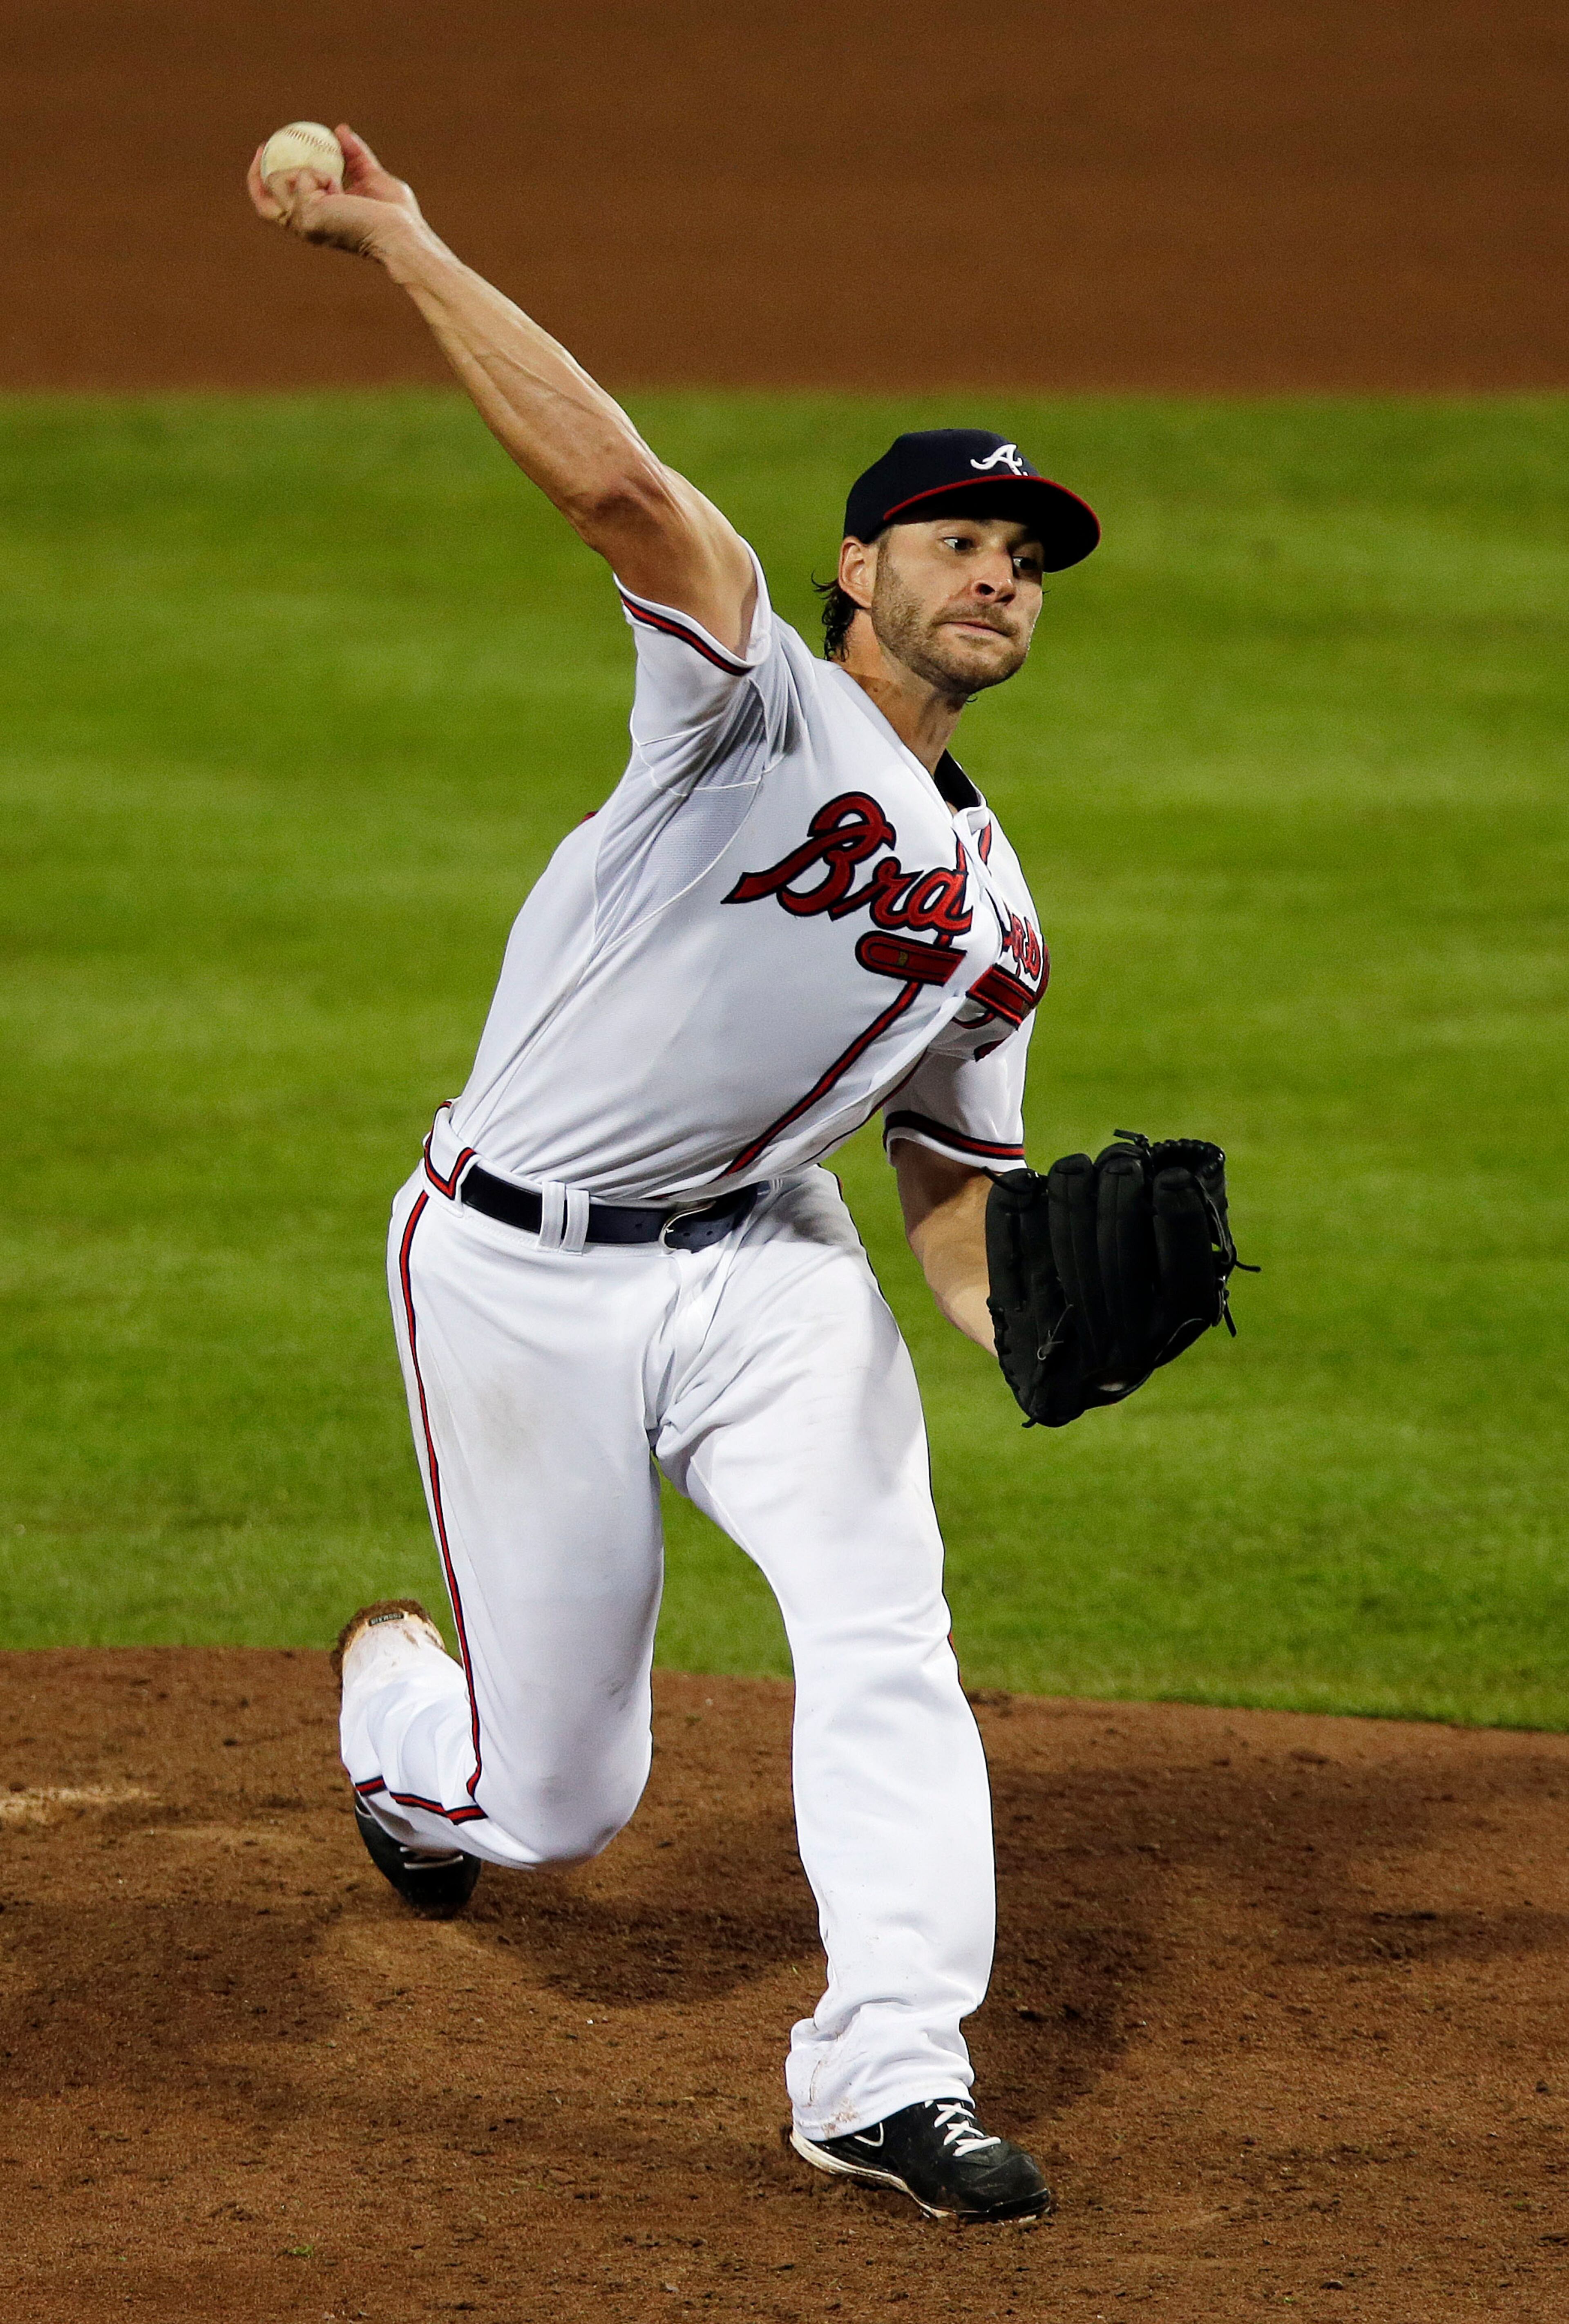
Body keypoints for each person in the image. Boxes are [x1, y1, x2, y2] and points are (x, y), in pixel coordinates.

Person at [250, 124, 1100, 2227]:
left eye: (1029, 552)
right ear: (858, 569)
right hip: (517, 1268)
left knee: (886, 1623)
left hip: (767, 1277)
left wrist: (1043, 1334)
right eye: (958, 534)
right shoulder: (751, 705)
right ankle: (400, 1719)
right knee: (561, 1799)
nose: (1001, 569)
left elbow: (955, 1212)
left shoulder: (1001, 925)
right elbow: (618, 485)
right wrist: (402, 238)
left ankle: (887, 2073)